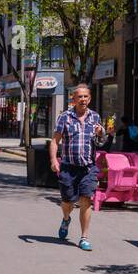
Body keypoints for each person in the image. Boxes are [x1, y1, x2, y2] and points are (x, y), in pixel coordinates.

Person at [50, 84, 107, 252]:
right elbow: (55, 141)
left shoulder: (95, 118)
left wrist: (101, 133)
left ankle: (84, 237)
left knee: (86, 201)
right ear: (73, 99)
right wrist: (54, 160)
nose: (82, 99)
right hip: (68, 167)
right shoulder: (65, 117)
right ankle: (66, 218)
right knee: (68, 201)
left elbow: (101, 142)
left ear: (89, 99)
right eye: (79, 97)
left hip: (88, 167)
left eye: (85, 97)